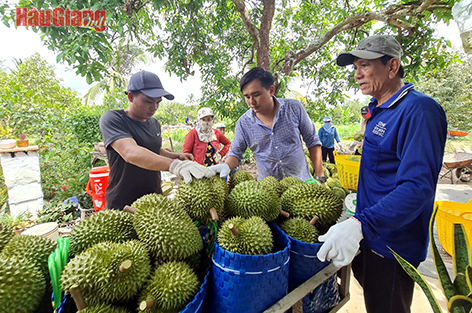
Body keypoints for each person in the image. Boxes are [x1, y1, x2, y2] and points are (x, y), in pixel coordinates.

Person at [316, 35, 447, 313]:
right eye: (355, 68)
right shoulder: (379, 110)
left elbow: (417, 188)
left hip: (392, 245)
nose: (357, 75)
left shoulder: (419, 111)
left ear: (392, 66)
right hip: (369, 235)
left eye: (364, 66)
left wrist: (363, 224)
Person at [99, 71, 215, 210]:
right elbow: (130, 152)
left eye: (158, 102)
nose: (154, 107)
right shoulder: (113, 119)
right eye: (148, 101)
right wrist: (175, 165)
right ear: (131, 96)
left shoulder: (153, 123)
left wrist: (176, 156)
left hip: (155, 201)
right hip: (123, 204)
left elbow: (153, 149)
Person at [209, 67, 325, 184]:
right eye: (247, 97)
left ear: (271, 90)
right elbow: (236, 153)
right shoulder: (244, 123)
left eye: (256, 95)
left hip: (302, 183)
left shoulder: (294, 108)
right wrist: (227, 166)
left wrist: (320, 177)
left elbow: (312, 141)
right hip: (268, 191)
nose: (251, 102)